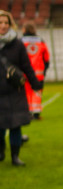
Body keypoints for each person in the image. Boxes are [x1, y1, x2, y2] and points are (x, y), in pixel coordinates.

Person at [0, 10, 41, 166]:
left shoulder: (17, 44)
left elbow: (26, 66)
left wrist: (35, 83)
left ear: (11, 25)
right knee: (1, 125)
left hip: (15, 90)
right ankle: (1, 150)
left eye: (6, 23)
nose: (3, 26)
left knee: (16, 124)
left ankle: (15, 157)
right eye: (0, 22)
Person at [21, 22, 49, 120]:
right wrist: (44, 70)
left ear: (24, 30)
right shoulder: (40, 41)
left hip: (24, 72)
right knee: (37, 92)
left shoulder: (20, 41)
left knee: (26, 92)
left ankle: (28, 112)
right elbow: (46, 58)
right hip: (38, 73)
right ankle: (36, 113)